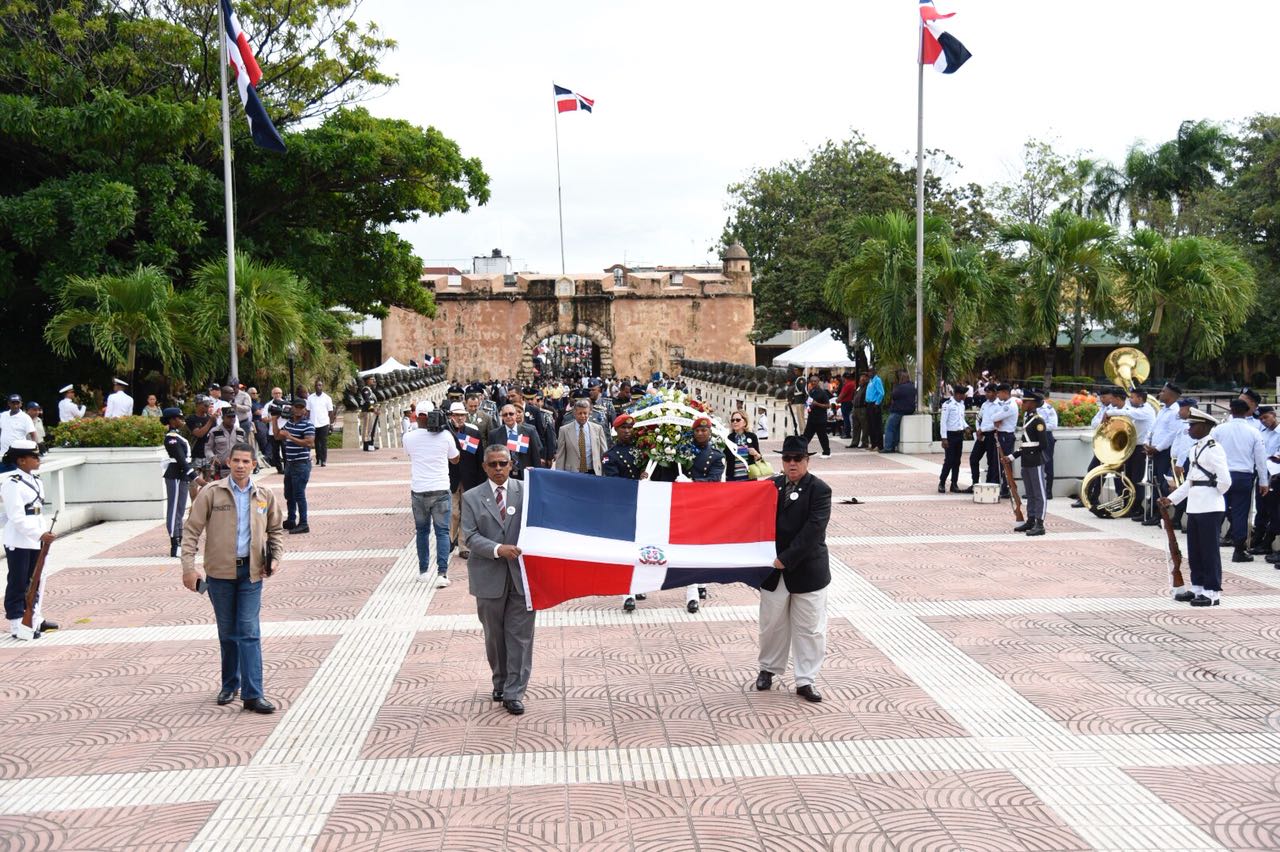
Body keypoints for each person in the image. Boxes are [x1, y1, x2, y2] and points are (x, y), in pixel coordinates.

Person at [181, 442, 284, 712]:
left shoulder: (264, 494)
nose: (240, 466)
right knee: (228, 633)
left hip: (251, 573)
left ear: (253, 465)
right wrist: (189, 568)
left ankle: (253, 694)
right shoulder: (212, 492)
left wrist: (275, 558)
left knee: (248, 631)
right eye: (236, 460)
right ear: (229, 462)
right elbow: (191, 531)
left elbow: (276, 531)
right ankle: (230, 684)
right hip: (219, 574)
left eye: (245, 462)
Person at [755, 435, 831, 703]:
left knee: (810, 628)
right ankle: (768, 669)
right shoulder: (770, 487)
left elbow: (813, 531)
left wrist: (785, 558)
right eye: (787, 458)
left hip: (807, 571)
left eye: (797, 459)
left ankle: (805, 680)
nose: (792, 463)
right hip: (774, 573)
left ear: (807, 460)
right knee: (771, 625)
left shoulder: (820, 490)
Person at [461, 445, 533, 715]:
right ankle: (500, 681)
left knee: (521, 637)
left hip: (523, 578)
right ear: (484, 467)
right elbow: (469, 535)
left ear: (511, 464)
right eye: (493, 464)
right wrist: (497, 549)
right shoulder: (471, 497)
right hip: (488, 577)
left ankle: (515, 692)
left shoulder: (528, 491)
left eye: (503, 463)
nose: (499, 469)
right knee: (495, 637)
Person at [1160, 409, 1231, 606]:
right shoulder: (1195, 449)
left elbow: (1225, 481)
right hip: (1195, 506)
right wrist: (1171, 499)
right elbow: (1189, 481)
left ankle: (1212, 593)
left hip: (1210, 506)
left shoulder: (1214, 448)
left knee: (1209, 551)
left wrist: (1213, 494)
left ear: (1205, 427)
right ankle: (1198, 587)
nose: (1189, 429)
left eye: (1193, 425)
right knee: (1195, 550)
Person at [3, 440, 58, 639]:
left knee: (37, 579)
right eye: (34, 457)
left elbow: (37, 512)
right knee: (19, 581)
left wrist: (43, 535)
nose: (38, 459)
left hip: (36, 536)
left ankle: (34, 617)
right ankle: (17, 623)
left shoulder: (36, 479)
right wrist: (38, 534)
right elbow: (16, 516)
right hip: (19, 539)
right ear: (21, 460)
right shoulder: (12, 483)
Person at [404, 405, 459, 586]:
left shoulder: (409, 437)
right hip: (441, 489)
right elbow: (456, 458)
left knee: (422, 531)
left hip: (419, 490)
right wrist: (448, 430)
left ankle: (423, 571)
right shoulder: (445, 436)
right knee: (442, 532)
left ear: (418, 416)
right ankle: (442, 574)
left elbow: (409, 454)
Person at [1212, 399, 1269, 562]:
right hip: (1243, 476)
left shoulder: (1219, 430)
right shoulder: (1254, 431)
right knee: (1241, 513)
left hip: (1222, 474)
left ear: (1231, 411)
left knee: (1217, 510)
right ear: (1246, 412)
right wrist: (1264, 481)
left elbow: (1210, 451)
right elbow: (1260, 459)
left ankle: (1210, 545)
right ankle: (1238, 550)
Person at [448, 402, 486, 559]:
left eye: (462, 415)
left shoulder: (473, 433)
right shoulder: (445, 434)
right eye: (456, 415)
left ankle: (463, 545)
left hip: (470, 479)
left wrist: (482, 480)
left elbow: (480, 459)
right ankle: (449, 541)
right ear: (451, 416)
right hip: (450, 479)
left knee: (466, 513)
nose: (460, 418)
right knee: (452, 512)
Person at [274, 402, 316, 535]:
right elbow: (277, 436)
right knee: (289, 494)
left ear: (304, 410)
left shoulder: (308, 424)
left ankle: (304, 523)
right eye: (296, 407)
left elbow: (309, 443)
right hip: (290, 464)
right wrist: (274, 420)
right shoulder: (290, 423)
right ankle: (291, 519)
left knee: (299, 494)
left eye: (301, 408)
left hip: (301, 464)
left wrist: (290, 437)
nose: (298, 410)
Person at [1011, 393, 1048, 536]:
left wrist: (1029, 452)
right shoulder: (1028, 419)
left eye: (1025, 402)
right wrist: (1012, 456)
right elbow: (1025, 443)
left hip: (1035, 460)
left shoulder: (1038, 421)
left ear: (1032, 404)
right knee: (1030, 493)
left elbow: (1043, 444)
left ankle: (1040, 523)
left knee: (1039, 493)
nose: (1023, 404)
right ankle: (1031, 519)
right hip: (1026, 460)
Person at [162, 407, 197, 557]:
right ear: (171, 420)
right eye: (178, 418)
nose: (181, 420)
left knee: (180, 510)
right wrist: (195, 476)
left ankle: (180, 540)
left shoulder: (177, 435)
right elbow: (181, 460)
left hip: (181, 475)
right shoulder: (171, 438)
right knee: (174, 509)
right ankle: (174, 543)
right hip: (176, 474)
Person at [961, 384, 1000, 494]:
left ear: (995, 393)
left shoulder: (999, 405)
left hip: (992, 435)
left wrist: (982, 429)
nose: (987, 394)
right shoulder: (984, 404)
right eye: (986, 392)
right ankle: (975, 483)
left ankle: (988, 485)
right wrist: (979, 430)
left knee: (991, 461)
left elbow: (997, 423)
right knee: (973, 458)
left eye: (989, 392)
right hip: (981, 435)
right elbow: (978, 418)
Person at [553, 398, 609, 474]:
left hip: (594, 472)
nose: (583, 416)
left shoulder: (598, 429)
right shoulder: (564, 430)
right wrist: (559, 474)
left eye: (585, 413)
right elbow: (560, 456)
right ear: (574, 413)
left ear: (589, 413)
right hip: (572, 473)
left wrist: (605, 472)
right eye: (580, 413)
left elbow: (603, 453)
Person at [495, 404, 542, 480]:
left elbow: (535, 455)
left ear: (516, 415)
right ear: (502, 417)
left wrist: (537, 475)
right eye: (505, 414)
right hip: (505, 475)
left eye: (511, 414)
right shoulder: (494, 434)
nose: (508, 416)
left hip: (525, 474)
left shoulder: (529, 431)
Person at [939, 385, 968, 493]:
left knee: (957, 461)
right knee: (949, 461)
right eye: (963, 394)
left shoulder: (961, 405)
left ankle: (954, 483)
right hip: (950, 436)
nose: (964, 396)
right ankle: (942, 482)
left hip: (959, 435)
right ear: (957, 394)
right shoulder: (947, 405)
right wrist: (944, 438)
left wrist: (966, 426)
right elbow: (943, 422)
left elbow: (961, 419)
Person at [882, 370, 916, 453]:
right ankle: (894, 446)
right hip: (909, 410)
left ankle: (888, 447)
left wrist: (896, 386)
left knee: (889, 428)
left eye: (901, 378)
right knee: (896, 429)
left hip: (898, 410)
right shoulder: (912, 387)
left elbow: (893, 395)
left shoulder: (900, 387)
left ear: (903, 378)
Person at [206, 408, 246, 480]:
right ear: (223, 418)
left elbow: (246, 449)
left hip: (238, 469)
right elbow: (208, 448)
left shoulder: (240, 431)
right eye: (229, 417)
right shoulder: (215, 431)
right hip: (220, 470)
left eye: (233, 416)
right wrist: (212, 457)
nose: (232, 419)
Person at [0, 395, 35, 473]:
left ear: (21, 404)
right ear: (9, 404)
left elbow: (33, 434)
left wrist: (35, 450)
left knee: (17, 480)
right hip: (3, 455)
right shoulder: (3, 416)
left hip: (18, 456)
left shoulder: (25, 417)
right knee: (2, 481)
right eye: (13, 403)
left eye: (17, 403)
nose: (15, 405)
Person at [801, 375, 832, 458]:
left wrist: (817, 404)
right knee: (806, 436)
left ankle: (827, 452)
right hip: (812, 418)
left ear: (818, 382)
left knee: (822, 436)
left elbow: (828, 405)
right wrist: (808, 406)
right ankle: (803, 451)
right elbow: (809, 402)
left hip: (820, 418)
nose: (813, 383)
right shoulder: (811, 391)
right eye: (812, 381)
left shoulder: (822, 392)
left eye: (815, 381)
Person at [726, 409, 763, 481]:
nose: (735, 422)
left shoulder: (752, 436)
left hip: (749, 478)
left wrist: (755, 453)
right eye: (732, 420)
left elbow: (759, 458)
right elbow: (726, 458)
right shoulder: (729, 438)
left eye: (738, 420)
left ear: (745, 422)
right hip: (733, 480)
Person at [306, 380, 335, 465]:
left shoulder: (327, 398)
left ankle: (324, 460)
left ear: (322, 386)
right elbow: (308, 411)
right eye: (317, 385)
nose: (318, 387)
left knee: (323, 442)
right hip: (313, 423)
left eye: (320, 385)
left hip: (324, 423)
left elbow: (330, 412)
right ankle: (318, 458)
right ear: (314, 387)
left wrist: (331, 424)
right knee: (316, 442)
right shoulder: (310, 398)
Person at [1036, 395, 1058, 499]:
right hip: (1033, 437)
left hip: (1046, 437)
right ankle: (1036, 490)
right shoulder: (1032, 408)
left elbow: (1053, 425)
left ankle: (1048, 491)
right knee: (1034, 464)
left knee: (1048, 464)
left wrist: (1039, 427)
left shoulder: (1049, 409)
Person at [863, 370, 884, 450]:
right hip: (869, 404)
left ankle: (879, 445)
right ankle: (873, 444)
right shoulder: (871, 381)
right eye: (868, 372)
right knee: (871, 425)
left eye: (870, 372)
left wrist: (877, 403)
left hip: (874, 404)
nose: (869, 373)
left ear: (874, 372)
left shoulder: (877, 380)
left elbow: (881, 393)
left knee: (876, 425)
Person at [837, 374, 856, 440]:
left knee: (846, 419)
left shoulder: (847, 385)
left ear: (844, 378)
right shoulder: (853, 383)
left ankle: (847, 433)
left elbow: (843, 394)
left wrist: (838, 400)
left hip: (845, 402)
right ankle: (848, 432)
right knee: (848, 418)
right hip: (850, 402)